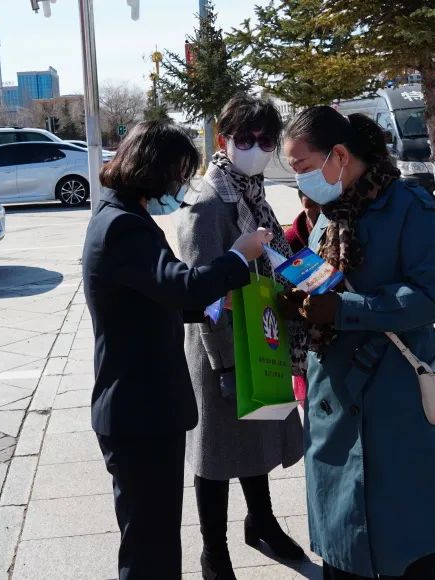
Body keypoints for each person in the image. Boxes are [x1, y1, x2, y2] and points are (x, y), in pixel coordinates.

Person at [280, 108, 435, 580]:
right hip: (334, 395)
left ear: (339, 155)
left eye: (303, 168)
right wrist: (302, 297)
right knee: (343, 540)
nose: (301, 182)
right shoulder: (330, 211)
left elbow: (434, 294)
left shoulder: (407, 206)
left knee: (411, 539)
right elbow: (323, 273)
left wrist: (346, 309)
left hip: (395, 398)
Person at [82, 120, 273, 580]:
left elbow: (156, 298)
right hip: (139, 413)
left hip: (143, 411)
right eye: (178, 173)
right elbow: (181, 286)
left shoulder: (120, 217)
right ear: (154, 170)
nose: (180, 185)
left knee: (156, 538)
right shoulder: (123, 226)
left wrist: (211, 305)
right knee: (151, 547)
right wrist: (238, 256)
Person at [175, 94, 305, 579]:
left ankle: (262, 521)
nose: (254, 147)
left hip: (260, 332)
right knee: (215, 455)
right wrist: (225, 362)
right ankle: (215, 551)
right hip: (221, 347)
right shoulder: (209, 201)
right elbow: (200, 288)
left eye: (264, 140)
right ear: (222, 138)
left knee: (255, 438)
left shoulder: (250, 191)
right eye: (243, 138)